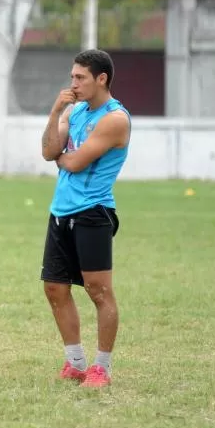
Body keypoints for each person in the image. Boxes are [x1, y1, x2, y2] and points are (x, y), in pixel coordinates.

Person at [39, 49, 130, 388]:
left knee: (98, 291)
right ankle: (75, 362)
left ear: (101, 79)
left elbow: (74, 163)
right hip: (60, 212)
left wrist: (64, 158)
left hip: (93, 212)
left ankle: (101, 367)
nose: (73, 83)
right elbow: (50, 152)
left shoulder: (115, 118)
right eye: (72, 76)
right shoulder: (75, 111)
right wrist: (56, 111)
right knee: (54, 288)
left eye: (80, 78)